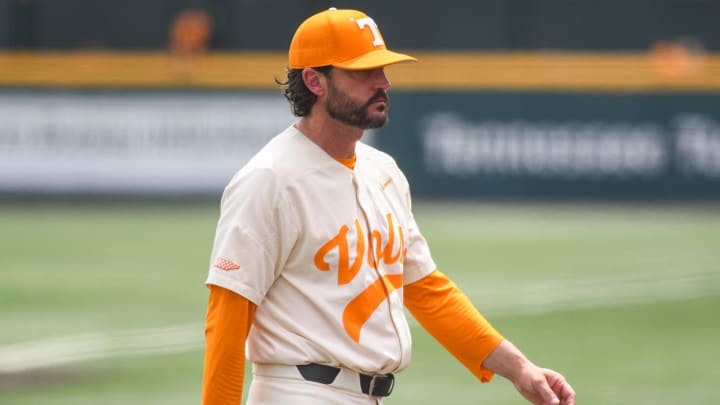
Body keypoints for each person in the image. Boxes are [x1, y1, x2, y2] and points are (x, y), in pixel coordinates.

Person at [201, 7, 576, 405]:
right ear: (315, 81)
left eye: (382, 68)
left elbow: (427, 290)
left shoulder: (384, 171)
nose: (382, 82)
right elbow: (227, 318)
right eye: (362, 72)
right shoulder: (270, 179)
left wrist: (519, 368)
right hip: (298, 392)